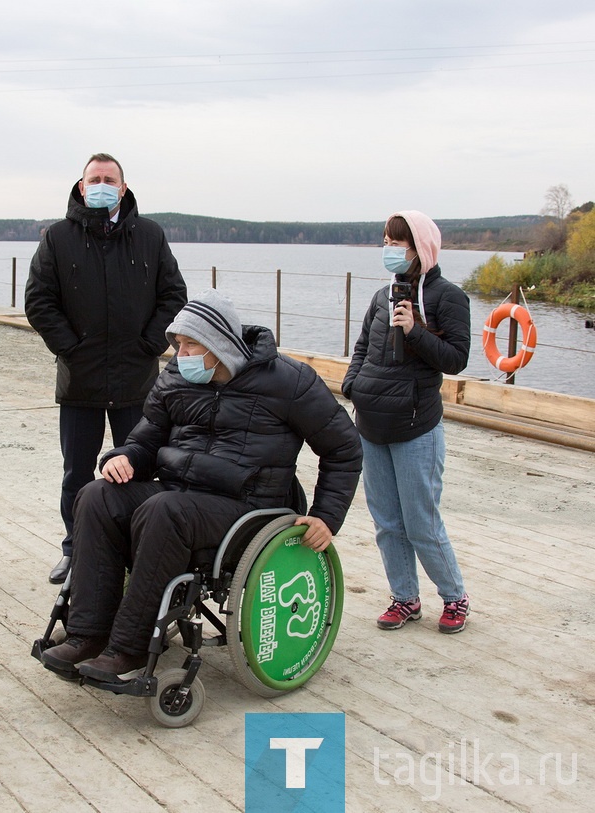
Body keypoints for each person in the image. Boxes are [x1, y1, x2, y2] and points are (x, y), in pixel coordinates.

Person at [39, 290, 362, 681]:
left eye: (191, 343)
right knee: (97, 495)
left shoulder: (289, 382)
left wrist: (326, 517)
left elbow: (344, 448)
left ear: (220, 346)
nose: (181, 352)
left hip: (246, 506)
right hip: (179, 493)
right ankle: (87, 634)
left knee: (164, 511)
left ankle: (128, 648)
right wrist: (122, 457)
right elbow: (146, 439)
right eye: (178, 343)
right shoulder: (177, 375)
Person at [25, 152, 187, 584]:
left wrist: (149, 344)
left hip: (137, 383)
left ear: (123, 186)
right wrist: (70, 349)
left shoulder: (150, 235)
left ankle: (137, 550)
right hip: (81, 380)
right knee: (77, 473)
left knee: (141, 467)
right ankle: (76, 549)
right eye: (94, 178)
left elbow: (173, 296)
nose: (101, 184)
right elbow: (39, 301)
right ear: (82, 187)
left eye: (109, 178)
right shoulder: (58, 238)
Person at [341, 211, 472, 634]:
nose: (389, 250)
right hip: (372, 425)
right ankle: (404, 598)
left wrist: (415, 331)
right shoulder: (382, 297)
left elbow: (456, 359)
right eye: (386, 241)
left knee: (421, 521)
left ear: (421, 248)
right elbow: (362, 344)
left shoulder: (447, 297)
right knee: (387, 522)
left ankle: (454, 597)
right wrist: (352, 384)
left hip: (416, 426)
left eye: (398, 243)